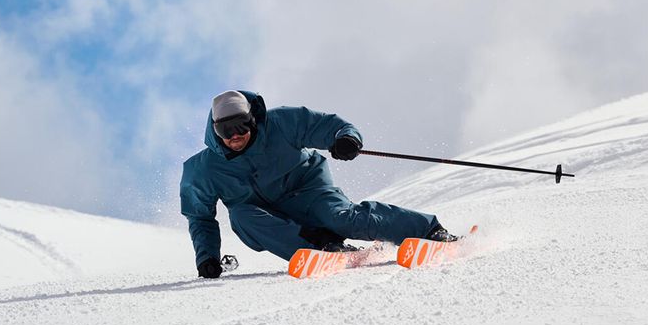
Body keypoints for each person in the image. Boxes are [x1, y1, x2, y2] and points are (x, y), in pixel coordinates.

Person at [181, 90, 458, 278]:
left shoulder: (280, 123)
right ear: (214, 130)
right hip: (269, 220)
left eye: (241, 125)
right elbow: (200, 217)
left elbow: (329, 126)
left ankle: (430, 230)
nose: (235, 136)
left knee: (343, 219)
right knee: (240, 215)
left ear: (252, 119)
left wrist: (345, 138)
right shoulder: (203, 168)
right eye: (225, 130)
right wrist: (206, 257)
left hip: (309, 191)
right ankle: (322, 248)